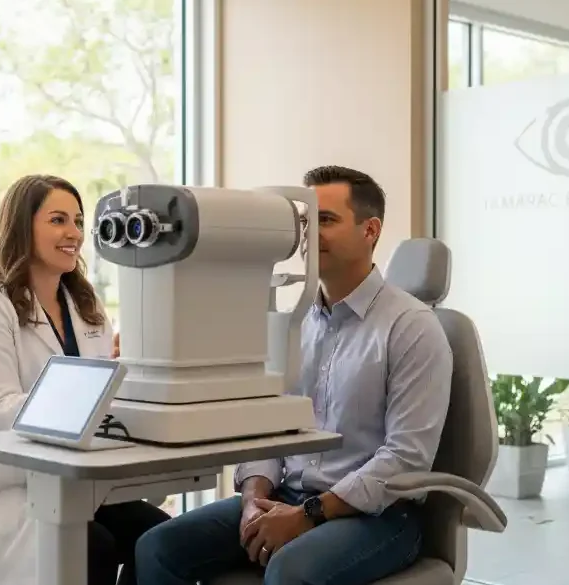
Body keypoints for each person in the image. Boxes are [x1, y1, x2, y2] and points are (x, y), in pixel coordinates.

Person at [133, 166, 454, 585]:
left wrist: (309, 514)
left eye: (326, 220)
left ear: (370, 230)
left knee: (290, 573)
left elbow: (407, 460)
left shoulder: (412, 327)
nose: (309, 234)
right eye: (304, 222)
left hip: (379, 514)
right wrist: (253, 500)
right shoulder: (291, 322)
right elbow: (268, 428)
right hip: (287, 497)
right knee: (156, 548)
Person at [0, 174, 171, 585]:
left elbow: (105, 400)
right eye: (58, 220)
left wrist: (131, 373)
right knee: (92, 545)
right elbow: (0, 412)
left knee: (163, 540)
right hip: (0, 488)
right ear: (23, 227)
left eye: (78, 221)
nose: (73, 233)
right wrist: (87, 395)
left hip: (77, 482)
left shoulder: (86, 304)